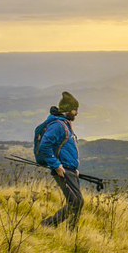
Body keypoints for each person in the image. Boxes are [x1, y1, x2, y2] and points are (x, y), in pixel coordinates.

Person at [38, 91, 83, 228]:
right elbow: (45, 145)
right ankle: (49, 224)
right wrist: (56, 165)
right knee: (75, 201)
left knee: (78, 202)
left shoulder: (65, 123)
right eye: (75, 110)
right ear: (68, 109)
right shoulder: (58, 125)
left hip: (70, 169)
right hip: (63, 169)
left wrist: (74, 168)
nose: (76, 113)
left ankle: (71, 232)